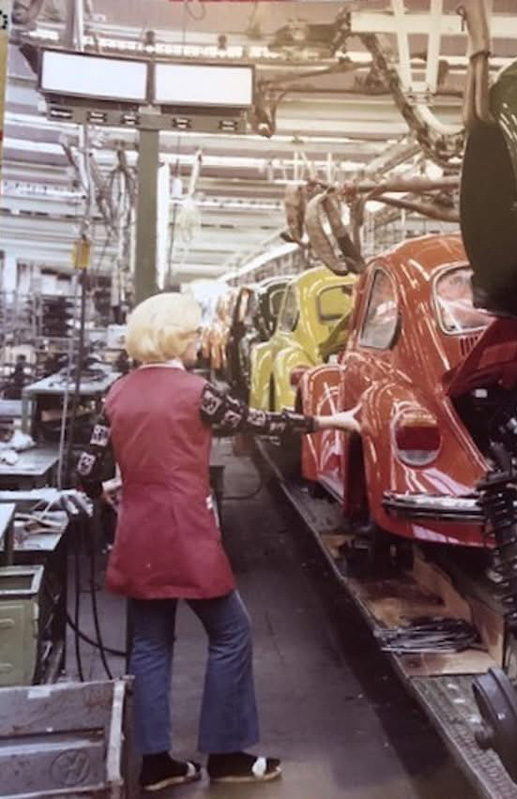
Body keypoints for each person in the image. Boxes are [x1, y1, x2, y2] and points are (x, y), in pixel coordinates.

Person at [76, 293, 362, 792]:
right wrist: (330, 421)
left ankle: (158, 764)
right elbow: (261, 421)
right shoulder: (196, 392)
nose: (196, 344)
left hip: (138, 533)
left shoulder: (117, 393)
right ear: (171, 338)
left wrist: (111, 487)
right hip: (186, 531)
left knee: (149, 645)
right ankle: (228, 755)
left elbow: (87, 469)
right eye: (190, 335)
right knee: (231, 634)